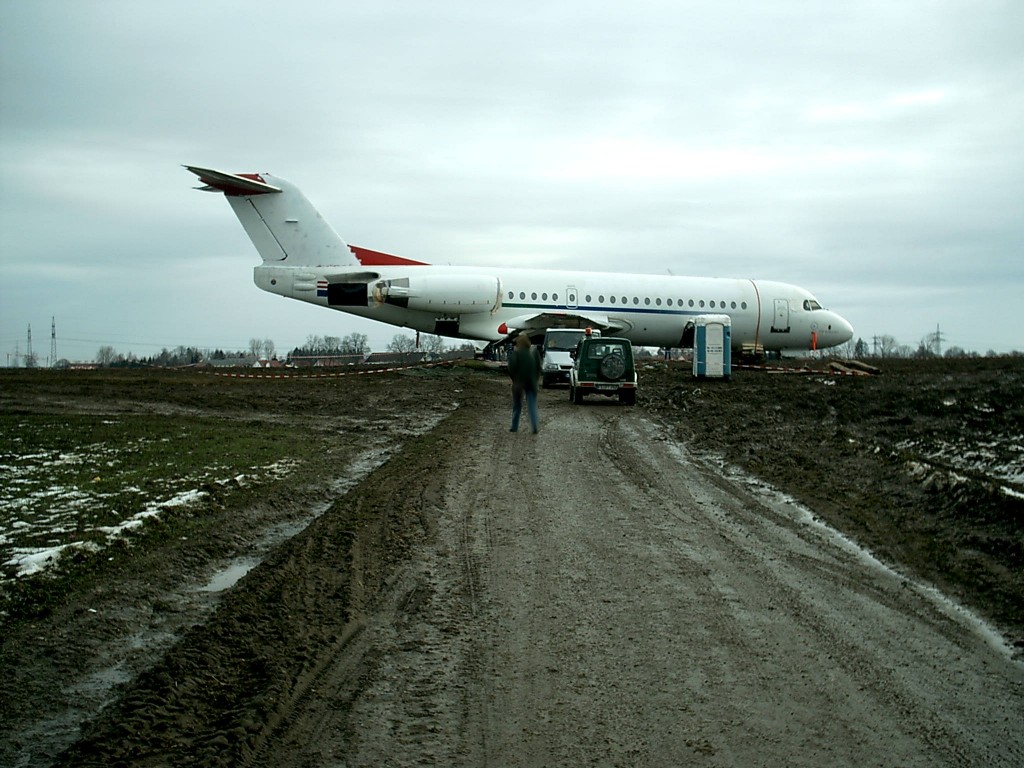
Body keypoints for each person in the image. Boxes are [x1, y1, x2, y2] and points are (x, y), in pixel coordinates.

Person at [507, 332, 541, 433]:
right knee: (532, 405)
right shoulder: (534, 352)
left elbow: (511, 368)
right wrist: (536, 379)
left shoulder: (516, 353)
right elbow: (539, 368)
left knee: (517, 406)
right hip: (531, 382)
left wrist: (514, 379)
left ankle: (514, 427)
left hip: (519, 383)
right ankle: (534, 426)